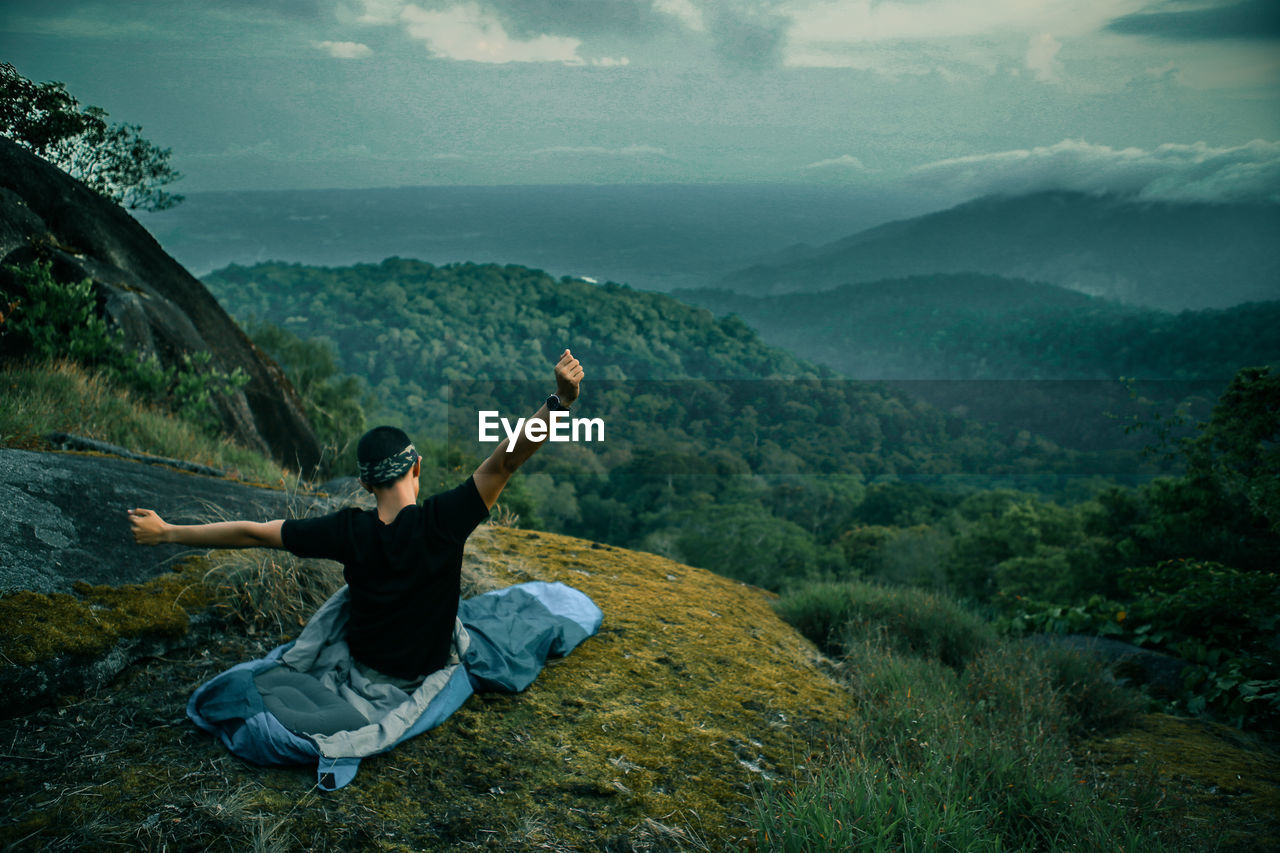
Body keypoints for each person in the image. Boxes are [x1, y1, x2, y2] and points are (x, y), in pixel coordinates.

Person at [129, 348, 584, 682]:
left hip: (368, 662)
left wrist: (168, 532)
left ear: (366, 484)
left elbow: (253, 532)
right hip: (426, 667)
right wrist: (559, 401)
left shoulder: (346, 531)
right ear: (417, 468)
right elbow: (506, 460)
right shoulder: (443, 521)